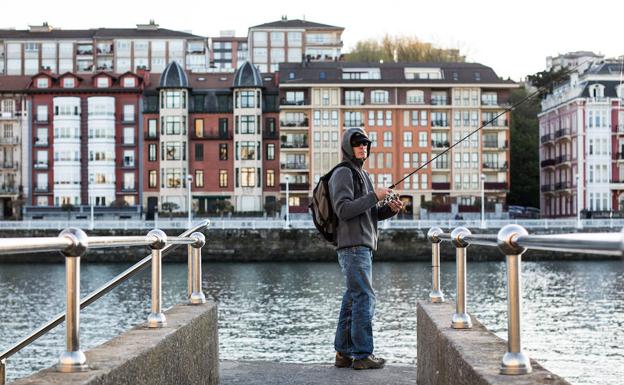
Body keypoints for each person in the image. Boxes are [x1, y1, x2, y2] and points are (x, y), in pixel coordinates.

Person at [328, 127, 403, 370]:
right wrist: (374, 196)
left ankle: (343, 353)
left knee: (352, 298)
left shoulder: (363, 174)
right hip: (352, 246)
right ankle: (362, 355)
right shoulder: (343, 173)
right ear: (348, 147)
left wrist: (387, 210)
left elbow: (367, 214)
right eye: (358, 143)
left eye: (366, 144)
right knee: (364, 297)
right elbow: (343, 210)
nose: (363, 147)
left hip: (361, 245)